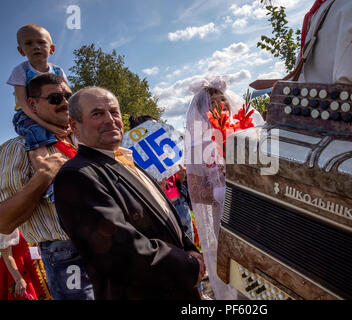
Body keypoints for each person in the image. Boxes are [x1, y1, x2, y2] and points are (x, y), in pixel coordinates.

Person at [53, 86, 205, 300]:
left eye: (114, 112)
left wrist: (190, 249)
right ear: (74, 127)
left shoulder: (125, 160)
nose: (110, 120)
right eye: (97, 114)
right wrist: (189, 265)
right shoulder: (76, 176)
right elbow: (120, 252)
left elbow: (164, 217)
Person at [0, 73, 94, 300]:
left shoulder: (86, 141)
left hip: (110, 245)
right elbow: (4, 221)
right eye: (54, 98)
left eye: (68, 97)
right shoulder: (18, 148)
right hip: (68, 253)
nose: (64, 103)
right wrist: (42, 177)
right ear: (32, 104)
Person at [184, 76, 264, 300]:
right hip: (228, 219)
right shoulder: (196, 145)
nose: (221, 103)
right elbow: (196, 191)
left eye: (223, 98)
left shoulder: (247, 132)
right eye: (213, 102)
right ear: (203, 110)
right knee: (244, 277)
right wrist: (224, 193)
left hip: (261, 213)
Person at [7, 24, 69, 202]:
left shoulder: (58, 71)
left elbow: (68, 98)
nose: (36, 47)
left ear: (52, 48)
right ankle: (47, 181)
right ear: (21, 50)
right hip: (28, 115)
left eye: (41, 42)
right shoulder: (21, 71)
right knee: (36, 137)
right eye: (29, 43)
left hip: (52, 112)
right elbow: (24, 104)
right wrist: (48, 125)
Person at [0, 229, 51, 300]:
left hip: (36, 267)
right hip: (17, 271)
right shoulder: (4, 223)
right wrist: (18, 279)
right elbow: (7, 256)